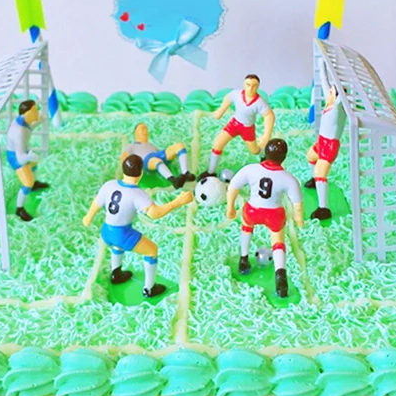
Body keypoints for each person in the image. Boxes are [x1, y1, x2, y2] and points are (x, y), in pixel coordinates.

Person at [83, 154, 193, 298]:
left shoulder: (109, 185)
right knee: (152, 250)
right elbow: (154, 213)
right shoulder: (137, 194)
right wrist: (177, 202)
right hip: (122, 234)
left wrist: (88, 217)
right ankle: (149, 288)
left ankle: (116, 274)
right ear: (140, 173)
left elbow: (96, 202)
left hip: (106, 231)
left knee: (117, 246)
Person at [226, 138, 303, 298]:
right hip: (274, 214)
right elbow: (297, 203)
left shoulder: (251, 169)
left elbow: (233, 187)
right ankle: (280, 275)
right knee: (278, 242)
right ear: (284, 157)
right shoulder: (288, 178)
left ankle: (243, 259)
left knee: (247, 227)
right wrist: (298, 218)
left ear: (265, 153)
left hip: (253, 210)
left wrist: (230, 207)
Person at [200, 74, 275, 178]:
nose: (250, 88)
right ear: (244, 84)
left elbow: (269, 115)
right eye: (248, 85)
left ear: (258, 87)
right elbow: (228, 98)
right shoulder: (237, 94)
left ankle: (263, 155)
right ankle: (211, 171)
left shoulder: (259, 102)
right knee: (218, 143)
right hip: (234, 124)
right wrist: (220, 111)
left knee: (254, 150)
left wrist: (266, 135)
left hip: (247, 128)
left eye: (254, 86)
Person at [306, 63, 347, 221]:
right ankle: (314, 180)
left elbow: (340, 96)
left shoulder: (338, 108)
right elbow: (324, 80)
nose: (328, 92)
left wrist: (340, 77)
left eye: (331, 92)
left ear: (338, 97)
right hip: (321, 141)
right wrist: (322, 64)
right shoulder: (330, 102)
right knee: (310, 156)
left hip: (330, 146)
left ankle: (323, 208)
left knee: (320, 173)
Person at [6, 99, 49, 222]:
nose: (37, 112)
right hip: (16, 157)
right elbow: (20, 159)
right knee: (27, 183)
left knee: (34, 165)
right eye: (35, 110)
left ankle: (34, 184)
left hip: (23, 151)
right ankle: (19, 209)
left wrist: (38, 122)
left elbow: (29, 129)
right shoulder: (19, 133)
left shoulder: (22, 122)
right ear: (28, 113)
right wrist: (29, 157)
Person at [121, 122, 195, 189]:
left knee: (179, 146)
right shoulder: (131, 146)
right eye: (142, 129)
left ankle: (185, 173)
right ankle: (173, 180)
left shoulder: (151, 145)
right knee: (156, 161)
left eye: (146, 129)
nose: (145, 132)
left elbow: (159, 152)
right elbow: (124, 158)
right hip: (147, 160)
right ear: (136, 133)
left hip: (158, 155)